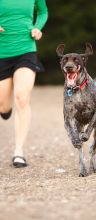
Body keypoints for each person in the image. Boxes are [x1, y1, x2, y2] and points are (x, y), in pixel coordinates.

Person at [0, 0, 48, 168]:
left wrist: (37, 27)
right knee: (3, 106)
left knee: (22, 98)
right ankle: (5, 109)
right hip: (1, 53)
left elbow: (43, 12)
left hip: (26, 50)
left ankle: (18, 152)